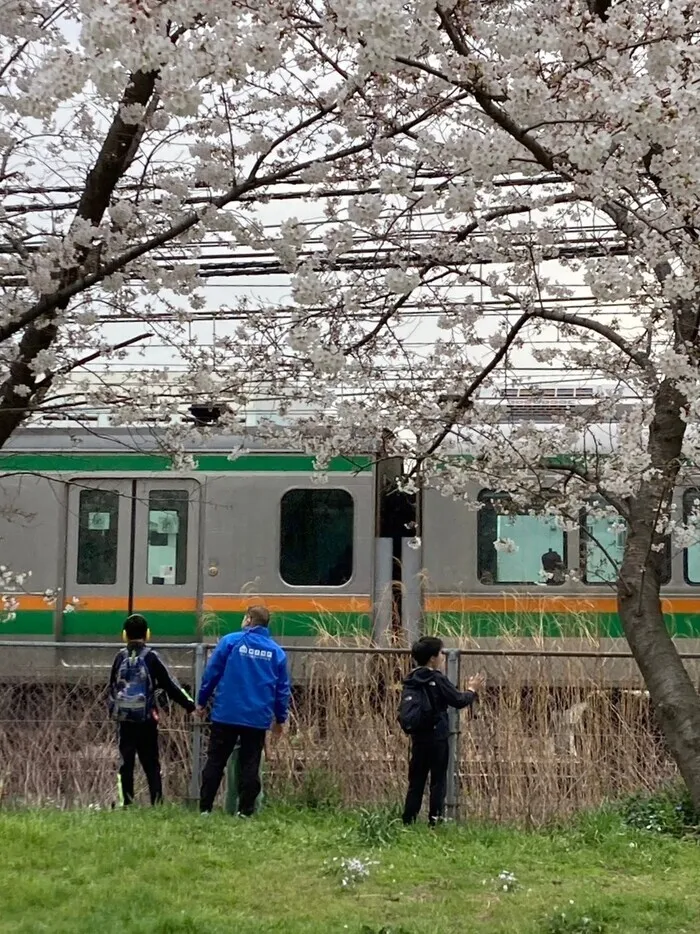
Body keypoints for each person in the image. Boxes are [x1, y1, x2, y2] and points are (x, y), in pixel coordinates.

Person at [196, 605, 291, 816]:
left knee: (215, 762)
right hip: (256, 718)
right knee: (251, 763)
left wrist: (201, 702)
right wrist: (280, 718)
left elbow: (211, 674)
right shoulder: (276, 652)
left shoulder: (230, 642)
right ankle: (245, 812)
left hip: (226, 714)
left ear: (248, 620)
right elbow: (282, 690)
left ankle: (205, 809)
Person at [109, 613, 196, 807]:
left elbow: (112, 687)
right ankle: (157, 803)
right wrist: (190, 706)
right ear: (147, 634)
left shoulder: (119, 656)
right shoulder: (151, 657)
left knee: (126, 763)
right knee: (151, 762)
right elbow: (170, 685)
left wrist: (113, 712)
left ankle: (127, 804)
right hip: (147, 718)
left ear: (124, 635)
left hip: (124, 719)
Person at [400, 636, 485, 827]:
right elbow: (458, 700)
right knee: (438, 782)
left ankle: (408, 822)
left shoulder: (411, 678)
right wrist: (472, 690)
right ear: (432, 658)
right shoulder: (436, 678)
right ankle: (434, 823)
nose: (442, 657)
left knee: (416, 782)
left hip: (418, 737)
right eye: (440, 653)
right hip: (437, 737)